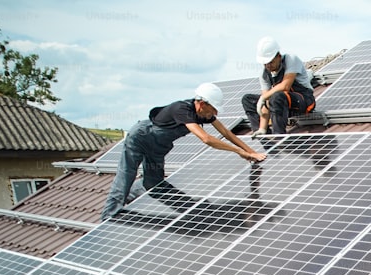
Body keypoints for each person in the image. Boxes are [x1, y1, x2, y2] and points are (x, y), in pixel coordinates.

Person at [101, 83, 266, 220]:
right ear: (202, 103)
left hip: (158, 147)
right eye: (213, 109)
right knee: (126, 174)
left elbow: (226, 133)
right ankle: (109, 215)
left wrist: (251, 152)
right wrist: (238, 152)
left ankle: (130, 194)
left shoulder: (204, 114)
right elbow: (206, 139)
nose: (214, 114)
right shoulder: (182, 109)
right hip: (140, 138)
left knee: (154, 183)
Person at [242, 37, 316, 136]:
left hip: (303, 101)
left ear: (279, 56)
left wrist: (263, 97)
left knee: (277, 96)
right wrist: (262, 128)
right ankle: (262, 134)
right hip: (283, 107)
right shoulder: (264, 74)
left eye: (271, 62)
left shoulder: (291, 60)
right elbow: (266, 102)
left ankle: (279, 136)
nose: (268, 66)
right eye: (265, 64)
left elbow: (285, 86)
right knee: (247, 99)